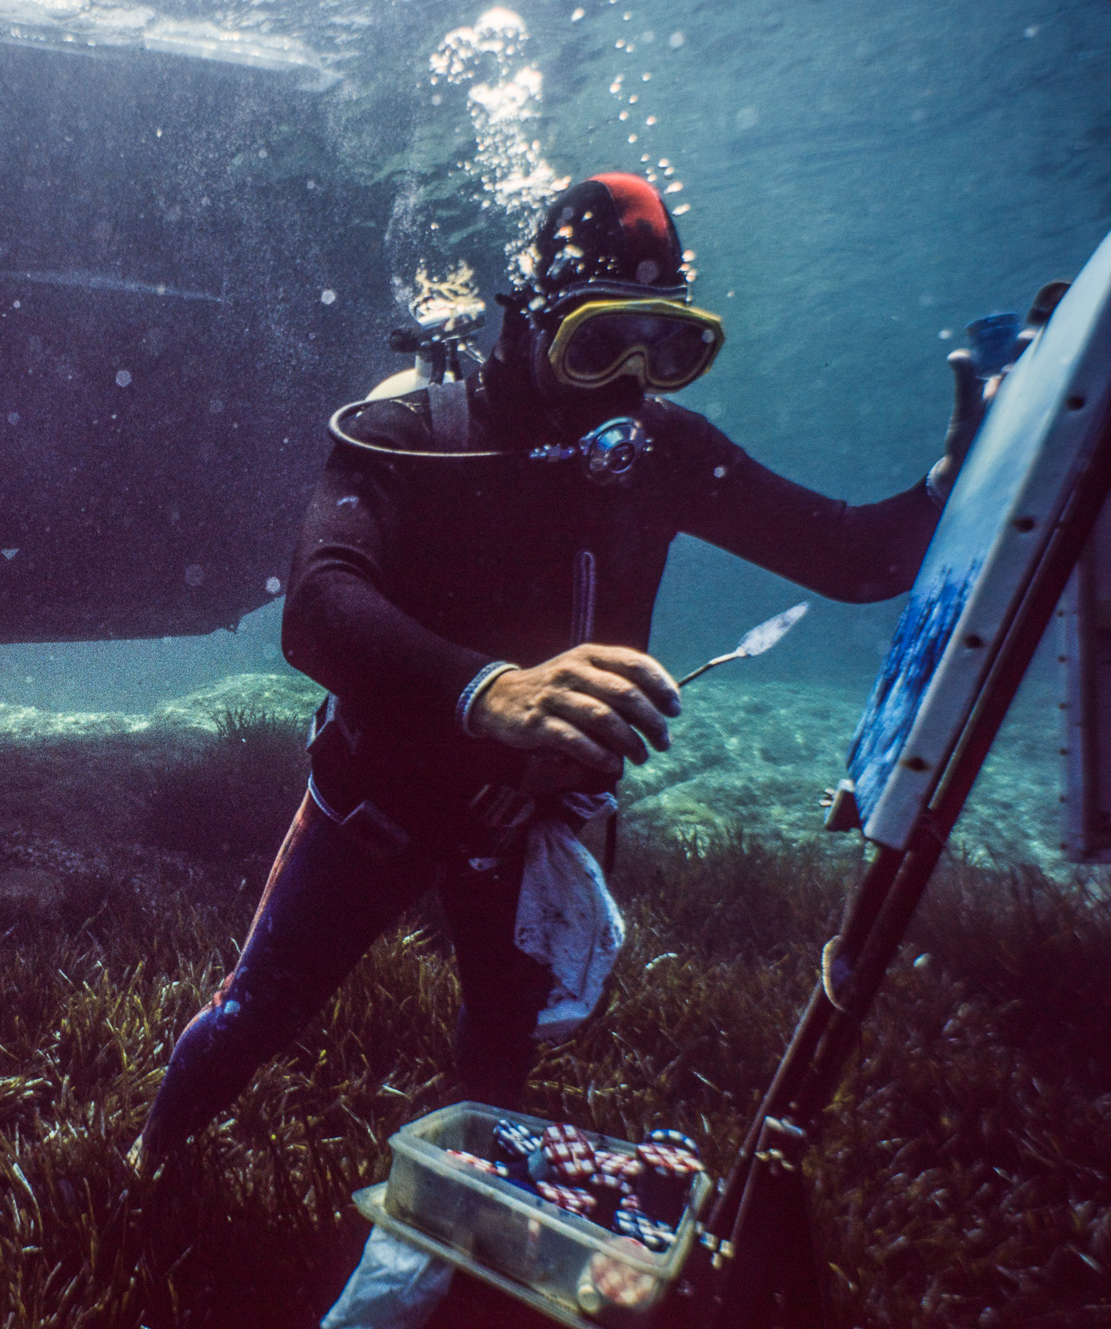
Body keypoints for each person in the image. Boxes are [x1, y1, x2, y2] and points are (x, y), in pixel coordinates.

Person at [132, 172, 984, 1164]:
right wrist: (492, 692)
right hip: (380, 802)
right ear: (531, 319)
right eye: (595, 344)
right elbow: (317, 611)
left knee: (501, 1038)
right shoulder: (409, 436)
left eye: (664, 347)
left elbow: (850, 559)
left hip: (535, 820)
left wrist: (951, 481)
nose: (628, 380)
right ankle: (144, 1165)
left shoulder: (662, 450)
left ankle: (460, 1222)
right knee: (256, 1012)